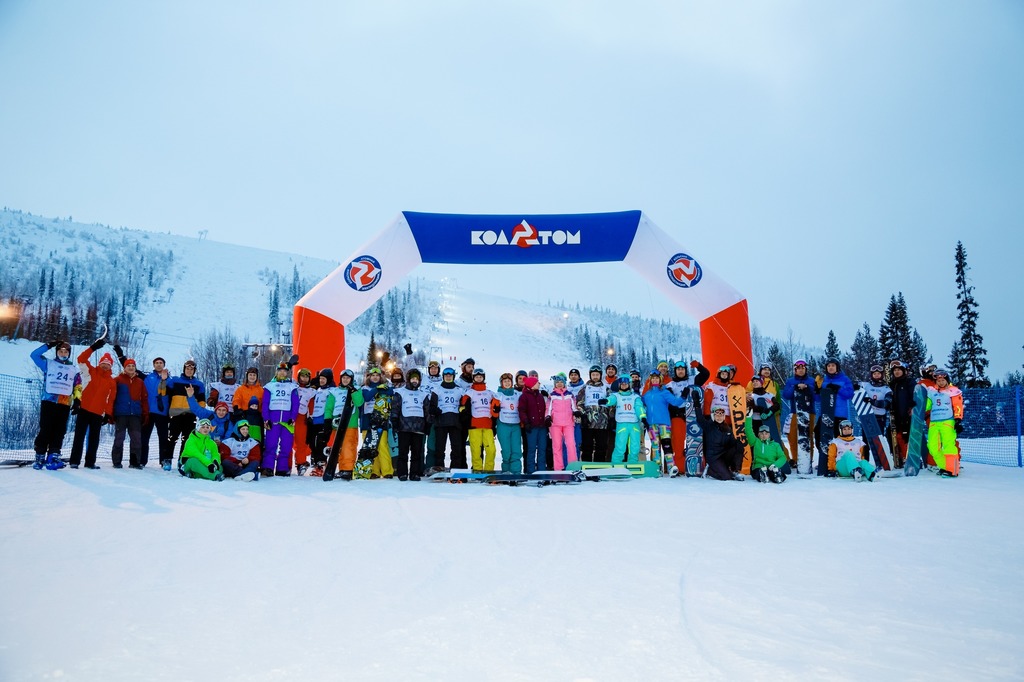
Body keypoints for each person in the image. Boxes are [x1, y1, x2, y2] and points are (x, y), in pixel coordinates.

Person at [30, 339, 80, 470]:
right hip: (49, 401)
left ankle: (53, 456)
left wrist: (77, 400)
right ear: (57, 352)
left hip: (64, 403)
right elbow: (34, 355)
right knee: (46, 428)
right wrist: (48, 345)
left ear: (69, 354)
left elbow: (77, 386)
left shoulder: (73, 369)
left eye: (66, 351)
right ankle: (40, 456)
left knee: (59, 431)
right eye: (61, 351)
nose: (63, 353)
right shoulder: (48, 364)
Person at [69, 343, 117, 469]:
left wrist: (108, 414)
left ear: (111, 366)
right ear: (100, 363)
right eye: (103, 363)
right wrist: (93, 348)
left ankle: (90, 462)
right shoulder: (90, 371)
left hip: (98, 413)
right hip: (84, 409)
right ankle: (74, 461)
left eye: (108, 364)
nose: (105, 366)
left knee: (94, 439)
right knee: (79, 436)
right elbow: (81, 359)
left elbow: (110, 399)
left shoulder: (112, 382)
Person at [165, 360, 206, 471]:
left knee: (187, 440)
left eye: (191, 369)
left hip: (190, 415)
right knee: (171, 438)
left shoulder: (199, 384)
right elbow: (164, 392)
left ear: (194, 371)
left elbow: (202, 401)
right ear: (184, 369)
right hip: (175, 414)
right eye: (187, 368)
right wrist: (164, 379)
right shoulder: (174, 381)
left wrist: (200, 412)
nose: (189, 370)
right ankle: (167, 460)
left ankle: (182, 461)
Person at [641, 370, 685, 472]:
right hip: (651, 424)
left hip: (664, 423)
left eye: (657, 378)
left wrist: (683, 396)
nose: (655, 379)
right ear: (650, 380)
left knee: (666, 445)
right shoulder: (647, 394)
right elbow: (640, 403)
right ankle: (657, 468)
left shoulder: (664, 392)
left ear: (660, 380)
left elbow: (675, 402)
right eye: (653, 378)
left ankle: (671, 467)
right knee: (655, 446)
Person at [666, 360, 709, 461]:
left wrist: (699, 366)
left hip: (692, 414)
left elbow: (706, 374)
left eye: (682, 369)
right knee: (678, 442)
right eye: (678, 369)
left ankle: (696, 464)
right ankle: (680, 467)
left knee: (695, 441)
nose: (680, 371)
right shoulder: (670, 385)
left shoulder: (692, 380)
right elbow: (669, 402)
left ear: (685, 370)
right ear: (675, 371)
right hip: (678, 415)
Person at [111, 358, 150, 469]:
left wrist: (145, 413)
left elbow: (144, 399)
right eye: (129, 366)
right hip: (121, 414)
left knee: (136, 439)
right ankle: (117, 461)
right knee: (119, 438)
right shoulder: (118, 380)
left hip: (135, 414)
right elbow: (112, 397)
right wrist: (111, 412)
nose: (131, 368)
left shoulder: (140, 382)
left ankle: (134, 462)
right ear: (125, 368)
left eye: (133, 366)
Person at [325, 369, 364, 480]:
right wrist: (327, 420)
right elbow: (329, 407)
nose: (345, 380)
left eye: (348, 378)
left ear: (351, 379)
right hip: (336, 424)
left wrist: (353, 391)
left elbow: (359, 402)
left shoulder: (356, 389)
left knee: (348, 447)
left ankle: (347, 469)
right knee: (338, 448)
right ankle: (341, 468)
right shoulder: (334, 391)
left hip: (349, 424)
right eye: (343, 378)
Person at [262, 362, 299, 476]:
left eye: (285, 371)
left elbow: (295, 403)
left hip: (287, 421)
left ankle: (282, 468)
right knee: (270, 445)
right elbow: (265, 403)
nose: (282, 373)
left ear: (287, 372)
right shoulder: (269, 386)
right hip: (273, 420)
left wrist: (293, 417)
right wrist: (266, 418)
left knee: (286, 446)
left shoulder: (292, 386)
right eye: (280, 370)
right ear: (276, 372)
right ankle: (268, 467)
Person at [392, 368, 430, 480]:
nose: (414, 381)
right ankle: (402, 473)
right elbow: (395, 409)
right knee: (403, 452)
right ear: (409, 379)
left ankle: (415, 473)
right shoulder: (400, 392)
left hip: (418, 428)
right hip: (404, 427)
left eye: (416, 379)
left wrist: (428, 424)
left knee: (416, 453)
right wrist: (394, 422)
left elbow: (427, 410)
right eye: (413, 378)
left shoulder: (423, 394)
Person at [925, 369, 964, 477]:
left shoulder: (953, 391)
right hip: (934, 423)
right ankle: (944, 467)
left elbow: (958, 406)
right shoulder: (932, 391)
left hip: (948, 422)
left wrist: (958, 420)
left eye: (943, 380)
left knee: (948, 446)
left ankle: (953, 470)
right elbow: (927, 406)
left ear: (947, 380)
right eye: (938, 380)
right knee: (932, 447)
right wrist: (918, 403)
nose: (941, 382)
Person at [693, 402, 745, 481]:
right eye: (717, 415)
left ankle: (735, 471)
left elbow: (733, 443)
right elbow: (700, 418)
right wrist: (696, 403)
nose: (719, 417)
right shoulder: (709, 426)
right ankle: (709, 471)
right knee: (726, 477)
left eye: (721, 415)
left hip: (723, 455)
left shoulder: (727, 428)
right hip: (713, 458)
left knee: (738, 444)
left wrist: (737, 445)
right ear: (713, 416)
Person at [427, 367, 466, 470]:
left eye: (450, 376)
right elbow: (431, 407)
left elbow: (464, 405)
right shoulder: (437, 389)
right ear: (443, 377)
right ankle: (439, 469)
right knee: (439, 449)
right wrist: (436, 411)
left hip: (455, 423)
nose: (448, 377)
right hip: (441, 423)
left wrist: (462, 412)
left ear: (453, 377)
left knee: (456, 448)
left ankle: (455, 469)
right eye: (446, 376)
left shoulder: (460, 390)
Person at [360, 366, 395, 478]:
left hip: (380, 420)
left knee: (382, 445)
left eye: (377, 376)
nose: (375, 378)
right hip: (367, 420)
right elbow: (367, 398)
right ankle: (374, 471)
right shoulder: (364, 388)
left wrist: (383, 388)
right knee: (370, 446)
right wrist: (377, 389)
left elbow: (391, 392)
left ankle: (387, 471)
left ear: (381, 377)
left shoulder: (385, 387)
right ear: (369, 377)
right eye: (373, 375)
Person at [463, 368, 500, 471]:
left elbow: (497, 405)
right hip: (474, 426)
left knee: (491, 450)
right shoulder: (469, 393)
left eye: (480, 377)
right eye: (476, 377)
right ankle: (477, 470)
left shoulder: (490, 393)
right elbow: (463, 406)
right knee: (476, 451)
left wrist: (496, 409)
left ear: (483, 378)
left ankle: (488, 470)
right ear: (473, 378)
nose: (479, 378)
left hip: (488, 426)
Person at [782, 359, 817, 466]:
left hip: (809, 412)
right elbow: (786, 395)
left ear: (806, 369)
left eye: (803, 368)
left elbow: (817, 396)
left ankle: (808, 459)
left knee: (808, 436)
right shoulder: (790, 381)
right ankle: (796, 459)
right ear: (795, 370)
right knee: (792, 436)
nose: (801, 370)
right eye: (798, 369)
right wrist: (795, 387)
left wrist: (807, 387)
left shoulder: (811, 381)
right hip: (795, 411)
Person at [605, 375, 647, 464]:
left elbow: (639, 407)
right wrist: (606, 401)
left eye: (626, 384)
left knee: (635, 447)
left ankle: (633, 464)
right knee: (620, 446)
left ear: (629, 385)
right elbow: (611, 400)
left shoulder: (635, 397)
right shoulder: (616, 395)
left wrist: (642, 417)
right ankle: (616, 464)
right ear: (619, 385)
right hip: (622, 424)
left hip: (634, 424)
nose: (624, 385)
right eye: (622, 384)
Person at [546, 372, 581, 471]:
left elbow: (574, 406)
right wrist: (547, 417)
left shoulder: (569, 395)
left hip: (568, 423)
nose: (559, 384)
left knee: (571, 445)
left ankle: (573, 467)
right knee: (557, 446)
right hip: (555, 424)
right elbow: (548, 408)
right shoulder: (552, 396)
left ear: (565, 383)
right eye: (557, 382)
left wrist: (576, 412)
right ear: (555, 384)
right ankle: (558, 468)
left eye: (561, 382)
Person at [141, 357, 170, 468]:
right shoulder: (147, 377)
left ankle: (163, 461)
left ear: (164, 364)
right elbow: (129, 367)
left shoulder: (170, 379)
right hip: (148, 412)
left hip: (162, 413)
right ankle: (142, 461)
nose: (158, 365)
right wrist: (120, 354)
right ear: (153, 365)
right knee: (144, 437)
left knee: (163, 437)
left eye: (160, 363)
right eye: (156, 363)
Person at [578, 365, 611, 462]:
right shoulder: (585, 388)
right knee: (587, 447)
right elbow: (579, 403)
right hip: (588, 422)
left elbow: (612, 404)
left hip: (602, 423)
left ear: (600, 375)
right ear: (590, 375)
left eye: (597, 374)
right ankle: (586, 466)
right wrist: (583, 415)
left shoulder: (606, 388)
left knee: (601, 447)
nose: (595, 376)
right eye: (593, 375)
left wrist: (611, 417)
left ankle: (599, 466)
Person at [307, 368, 335, 476]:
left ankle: (322, 464)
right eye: (321, 378)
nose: (322, 381)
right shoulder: (318, 389)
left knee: (321, 443)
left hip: (324, 420)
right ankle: (317, 462)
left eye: (324, 379)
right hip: (315, 419)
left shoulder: (331, 390)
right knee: (313, 443)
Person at [818, 358, 855, 439]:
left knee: (840, 439)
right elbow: (817, 399)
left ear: (837, 367)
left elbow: (849, 394)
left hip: (840, 414)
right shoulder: (823, 380)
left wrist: (838, 389)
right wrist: (817, 390)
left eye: (833, 365)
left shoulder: (845, 379)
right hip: (826, 414)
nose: (831, 367)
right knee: (820, 437)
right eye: (828, 366)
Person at [887, 360, 915, 466]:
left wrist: (913, 406)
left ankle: (907, 457)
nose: (897, 372)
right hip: (895, 415)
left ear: (904, 371)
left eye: (899, 370)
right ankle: (897, 456)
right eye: (895, 370)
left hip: (907, 414)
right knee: (891, 434)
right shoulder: (892, 384)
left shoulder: (909, 382)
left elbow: (915, 396)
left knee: (905, 437)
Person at [494, 372, 523, 473]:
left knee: (516, 450)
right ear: (501, 383)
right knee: (506, 451)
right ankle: (506, 471)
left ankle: (516, 472)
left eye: (509, 381)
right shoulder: (498, 395)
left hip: (515, 425)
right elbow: (492, 410)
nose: (507, 383)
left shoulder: (517, 394)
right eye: (504, 381)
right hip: (503, 424)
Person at [519, 375, 548, 473]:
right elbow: (522, 410)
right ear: (531, 385)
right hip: (532, 427)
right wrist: (526, 422)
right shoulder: (524, 396)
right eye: (537, 382)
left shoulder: (540, 395)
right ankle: (530, 471)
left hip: (542, 426)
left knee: (542, 449)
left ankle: (541, 470)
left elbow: (545, 408)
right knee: (531, 450)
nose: (539, 384)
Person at [292, 368, 317, 475]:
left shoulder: (311, 391)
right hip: (290, 416)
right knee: (288, 442)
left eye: (306, 377)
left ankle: (301, 463)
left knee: (301, 442)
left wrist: (310, 416)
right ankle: (288, 463)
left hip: (302, 418)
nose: (304, 379)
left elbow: (311, 405)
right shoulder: (293, 386)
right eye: (302, 376)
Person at [232, 367, 264, 442]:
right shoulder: (241, 389)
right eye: (250, 375)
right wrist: (238, 410)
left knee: (257, 436)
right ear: (247, 376)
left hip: (257, 417)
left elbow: (263, 403)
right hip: (244, 415)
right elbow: (236, 400)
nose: (252, 377)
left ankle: (258, 450)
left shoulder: (261, 390)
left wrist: (263, 414)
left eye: (254, 375)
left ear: (257, 377)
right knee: (244, 435)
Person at [860, 364, 893, 434]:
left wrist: (873, 402)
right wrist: (855, 387)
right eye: (874, 373)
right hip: (867, 416)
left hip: (879, 418)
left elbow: (886, 403)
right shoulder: (866, 385)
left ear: (882, 375)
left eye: (878, 373)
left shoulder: (886, 389)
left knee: (878, 439)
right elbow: (851, 386)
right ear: (872, 375)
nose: (876, 375)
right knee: (866, 439)